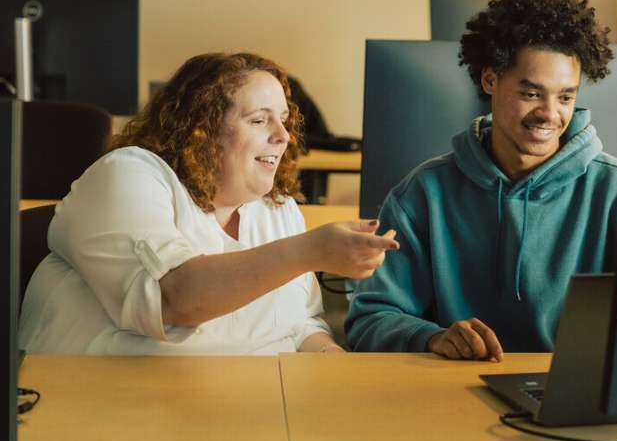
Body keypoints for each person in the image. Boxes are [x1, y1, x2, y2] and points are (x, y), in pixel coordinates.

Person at [19, 52, 398, 355]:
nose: (283, 136)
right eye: (259, 120)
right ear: (201, 129)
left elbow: (302, 325)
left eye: (283, 120)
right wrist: (308, 250)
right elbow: (172, 302)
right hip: (102, 413)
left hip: (240, 415)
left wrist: (331, 360)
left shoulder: (278, 209)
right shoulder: (127, 175)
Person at [345, 0, 617, 360]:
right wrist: (432, 337)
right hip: (450, 394)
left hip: (570, 398)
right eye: (531, 94)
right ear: (490, 81)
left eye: (565, 97)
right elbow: (370, 319)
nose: (549, 114)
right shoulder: (424, 193)